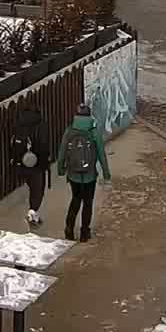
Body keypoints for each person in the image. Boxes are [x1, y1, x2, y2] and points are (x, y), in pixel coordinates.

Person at [56, 101, 111, 241]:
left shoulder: (69, 131)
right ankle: (84, 233)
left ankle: (69, 229)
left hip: (73, 174)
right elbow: (101, 153)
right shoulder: (93, 132)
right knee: (87, 203)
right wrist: (106, 173)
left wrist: (61, 169)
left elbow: (62, 152)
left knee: (75, 200)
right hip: (89, 176)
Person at [10, 109, 51, 228]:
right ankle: (32, 213)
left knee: (31, 187)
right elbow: (43, 146)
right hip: (35, 165)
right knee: (37, 191)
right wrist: (45, 163)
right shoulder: (40, 125)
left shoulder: (19, 125)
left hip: (19, 164)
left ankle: (32, 213)